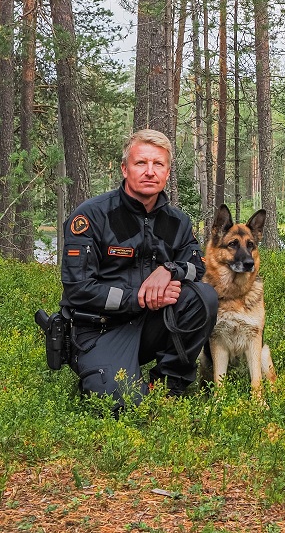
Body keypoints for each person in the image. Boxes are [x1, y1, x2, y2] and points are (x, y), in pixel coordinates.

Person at [59, 129, 218, 410]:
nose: (150, 171)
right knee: (118, 404)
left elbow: (197, 267)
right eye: (140, 163)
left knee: (202, 297)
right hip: (98, 331)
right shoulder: (91, 216)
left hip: (147, 327)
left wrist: (169, 269)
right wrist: (139, 297)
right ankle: (104, 373)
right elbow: (78, 290)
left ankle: (170, 385)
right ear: (124, 168)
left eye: (158, 164)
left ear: (167, 172)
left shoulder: (177, 222)